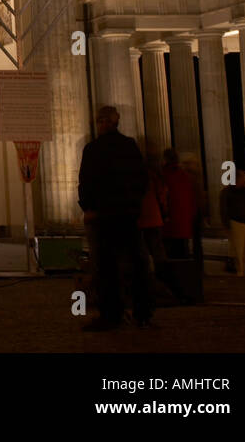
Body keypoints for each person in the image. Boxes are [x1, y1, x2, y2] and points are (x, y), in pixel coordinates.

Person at [77, 105, 153, 330]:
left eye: (103, 120)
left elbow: (86, 182)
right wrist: (134, 204)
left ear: (112, 121)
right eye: (99, 119)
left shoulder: (93, 149)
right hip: (126, 215)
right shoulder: (128, 147)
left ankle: (112, 314)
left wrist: (88, 208)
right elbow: (142, 180)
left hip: (104, 217)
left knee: (106, 267)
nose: (101, 123)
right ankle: (143, 313)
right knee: (137, 263)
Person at [161, 149, 195, 259]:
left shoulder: (164, 175)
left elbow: (163, 197)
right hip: (183, 221)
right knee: (183, 252)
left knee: (171, 255)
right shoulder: (184, 175)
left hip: (170, 221)